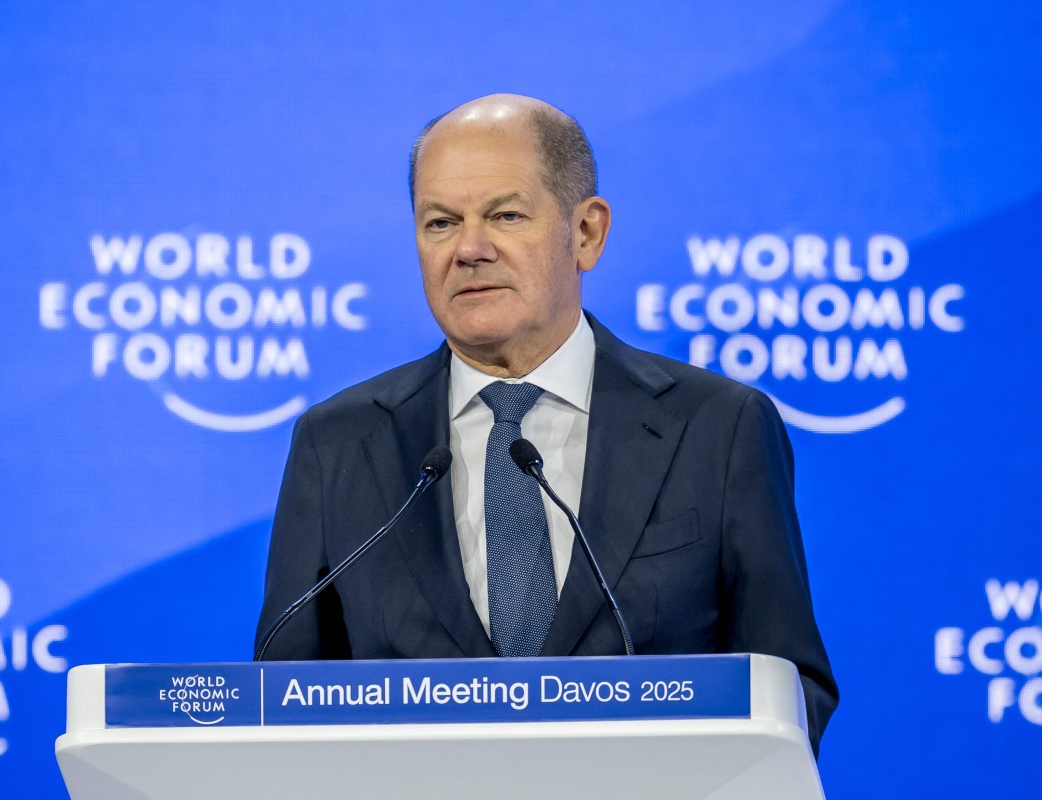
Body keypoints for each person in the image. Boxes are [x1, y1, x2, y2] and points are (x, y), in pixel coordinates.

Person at [256, 94, 838, 753]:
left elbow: (789, 690)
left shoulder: (718, 427)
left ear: (586, 232)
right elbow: (282, 704)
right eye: (440, 223)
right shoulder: (338, 443)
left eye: (505, 215)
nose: (470, 249)